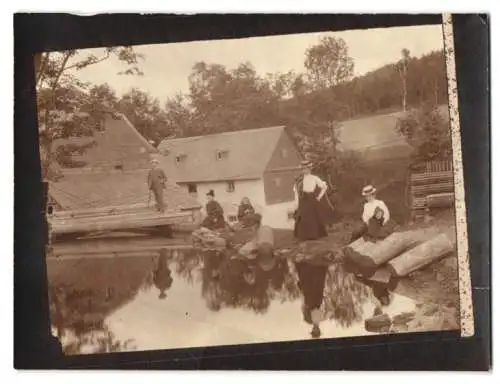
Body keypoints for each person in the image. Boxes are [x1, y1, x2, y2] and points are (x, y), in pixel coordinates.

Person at [293, 160, 329, 241]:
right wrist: (296, 204)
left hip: (311, 199)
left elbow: (324, 187)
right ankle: (303, 236)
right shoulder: (299, 180)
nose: (304, 170)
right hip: (303, 199)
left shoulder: (314, 178)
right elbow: (296, 192)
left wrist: (319, 197)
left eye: (306, 168)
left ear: (310, 169)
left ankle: (313, 235)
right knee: (302, 217)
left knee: (312, 217)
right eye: (303, 169)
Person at [294, 261, 328, 339]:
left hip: (309, 299)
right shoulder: (323, 318)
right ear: (319, 330)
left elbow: (303, 307)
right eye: (317, 331)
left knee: (306, 282)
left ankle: (304, 263)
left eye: (314, 331)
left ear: (312, 330)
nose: (315, 330)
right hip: (319, 298)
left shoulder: (307, 319)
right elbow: (329, 308)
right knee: (318, 280)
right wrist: (326, 299)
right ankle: (318, 264)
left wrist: (301, 293)